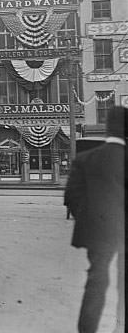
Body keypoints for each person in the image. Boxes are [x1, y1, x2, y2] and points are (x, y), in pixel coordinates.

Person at [64, 106, 125, 333]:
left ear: (107, 129)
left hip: (99, 231)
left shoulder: (85, 159)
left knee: (97, 280)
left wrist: (91, 218)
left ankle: (87, 329)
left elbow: (71, 196)